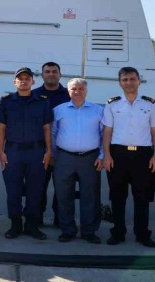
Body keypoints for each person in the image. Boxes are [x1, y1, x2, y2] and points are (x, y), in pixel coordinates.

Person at [102, 66, 155, 247]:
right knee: (117, 197)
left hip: (143, 156)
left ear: (139, 81)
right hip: (118, 154)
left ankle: (142, 234)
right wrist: (107, 155)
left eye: (132, 79)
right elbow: (107, 131)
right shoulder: (112, 104)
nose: (129, 83)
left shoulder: (149, 104)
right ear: (120, 83)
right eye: (125, 79)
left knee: (142, 197)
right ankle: (118, 233)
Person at [0, 67, 53, 240]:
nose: (24, 81)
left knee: (35, 191)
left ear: (32, 82)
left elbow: (47, 128)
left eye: (27, 78)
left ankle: (31, 226)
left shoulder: (42, 102)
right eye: (20, 78)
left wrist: (49, 151)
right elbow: (1, 128)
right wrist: (1, 151)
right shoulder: (6, 102)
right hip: (13, 152)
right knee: (13, 191)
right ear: (15, 82)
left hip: (36, 152)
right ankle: (15, 225)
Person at [51, 78, 104, 244]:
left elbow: (104, 135)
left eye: (81, 88)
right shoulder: (58, 110)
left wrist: (102, 156)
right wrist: (53, 155)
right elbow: (52, 133)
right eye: (74, 89)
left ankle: (89, 231)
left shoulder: (98, 110)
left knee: (90, 196)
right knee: (63, 195)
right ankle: (67, 230)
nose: (77, 91)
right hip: (64, 157)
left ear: (86, 91)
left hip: (90, 158)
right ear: (68, 91)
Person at [33, 61, 70, 226]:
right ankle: (36, 219)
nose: (51, 74)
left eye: (54, 71)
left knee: (63, 187)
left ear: (60, 75)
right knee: (38, 185)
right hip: (39, 148)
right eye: (47, 71)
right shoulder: (33, 95)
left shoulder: (69, 94)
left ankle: (60, 219)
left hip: (63, 148)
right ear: (42, 75)